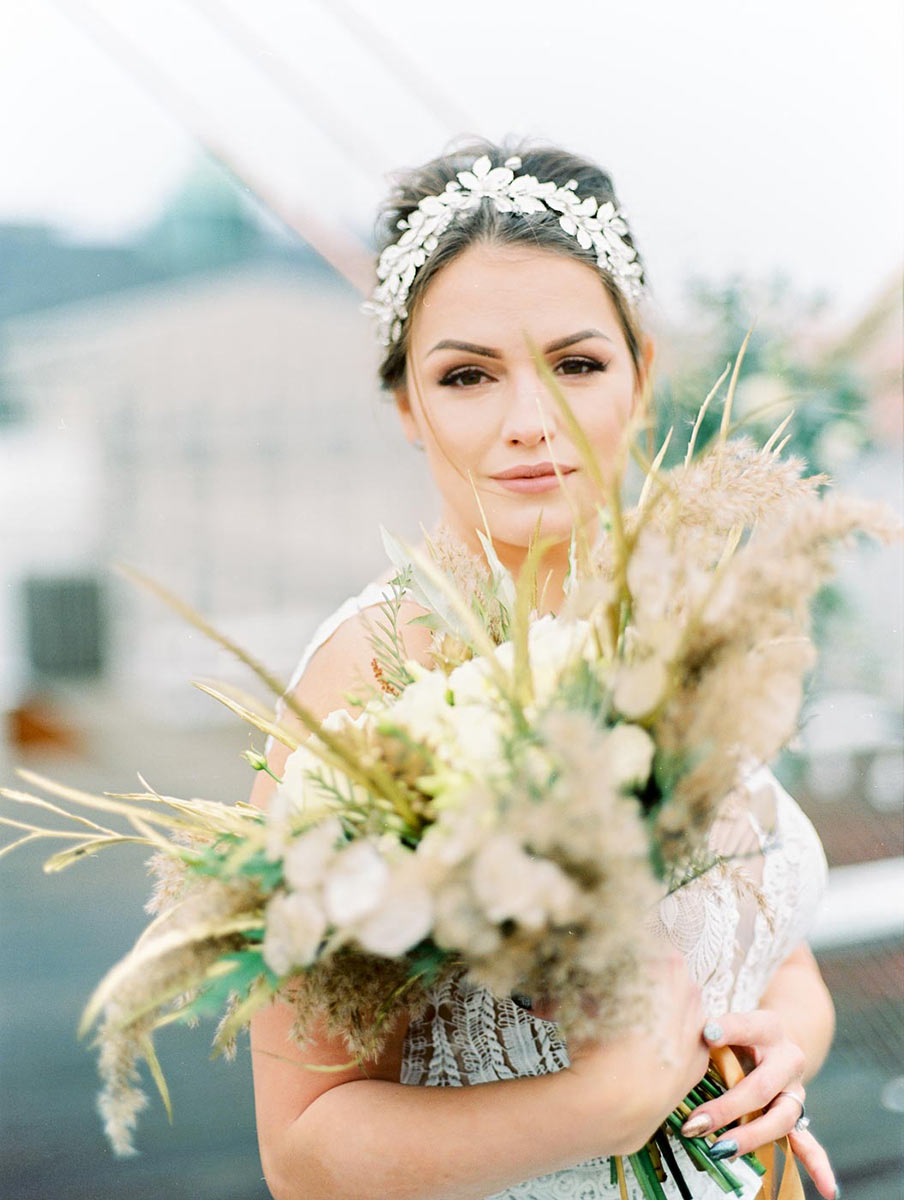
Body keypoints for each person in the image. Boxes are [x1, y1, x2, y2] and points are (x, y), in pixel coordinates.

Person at [248, 137, 839, 1200]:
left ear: (640, 374)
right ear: (405, 406)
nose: (531, 424)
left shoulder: (676, 624)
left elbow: (772, 954)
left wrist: (782, 1051)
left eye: (575, 364)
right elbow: (302, 1149)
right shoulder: (367, 683)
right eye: (467, 375)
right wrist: (604, 1106)